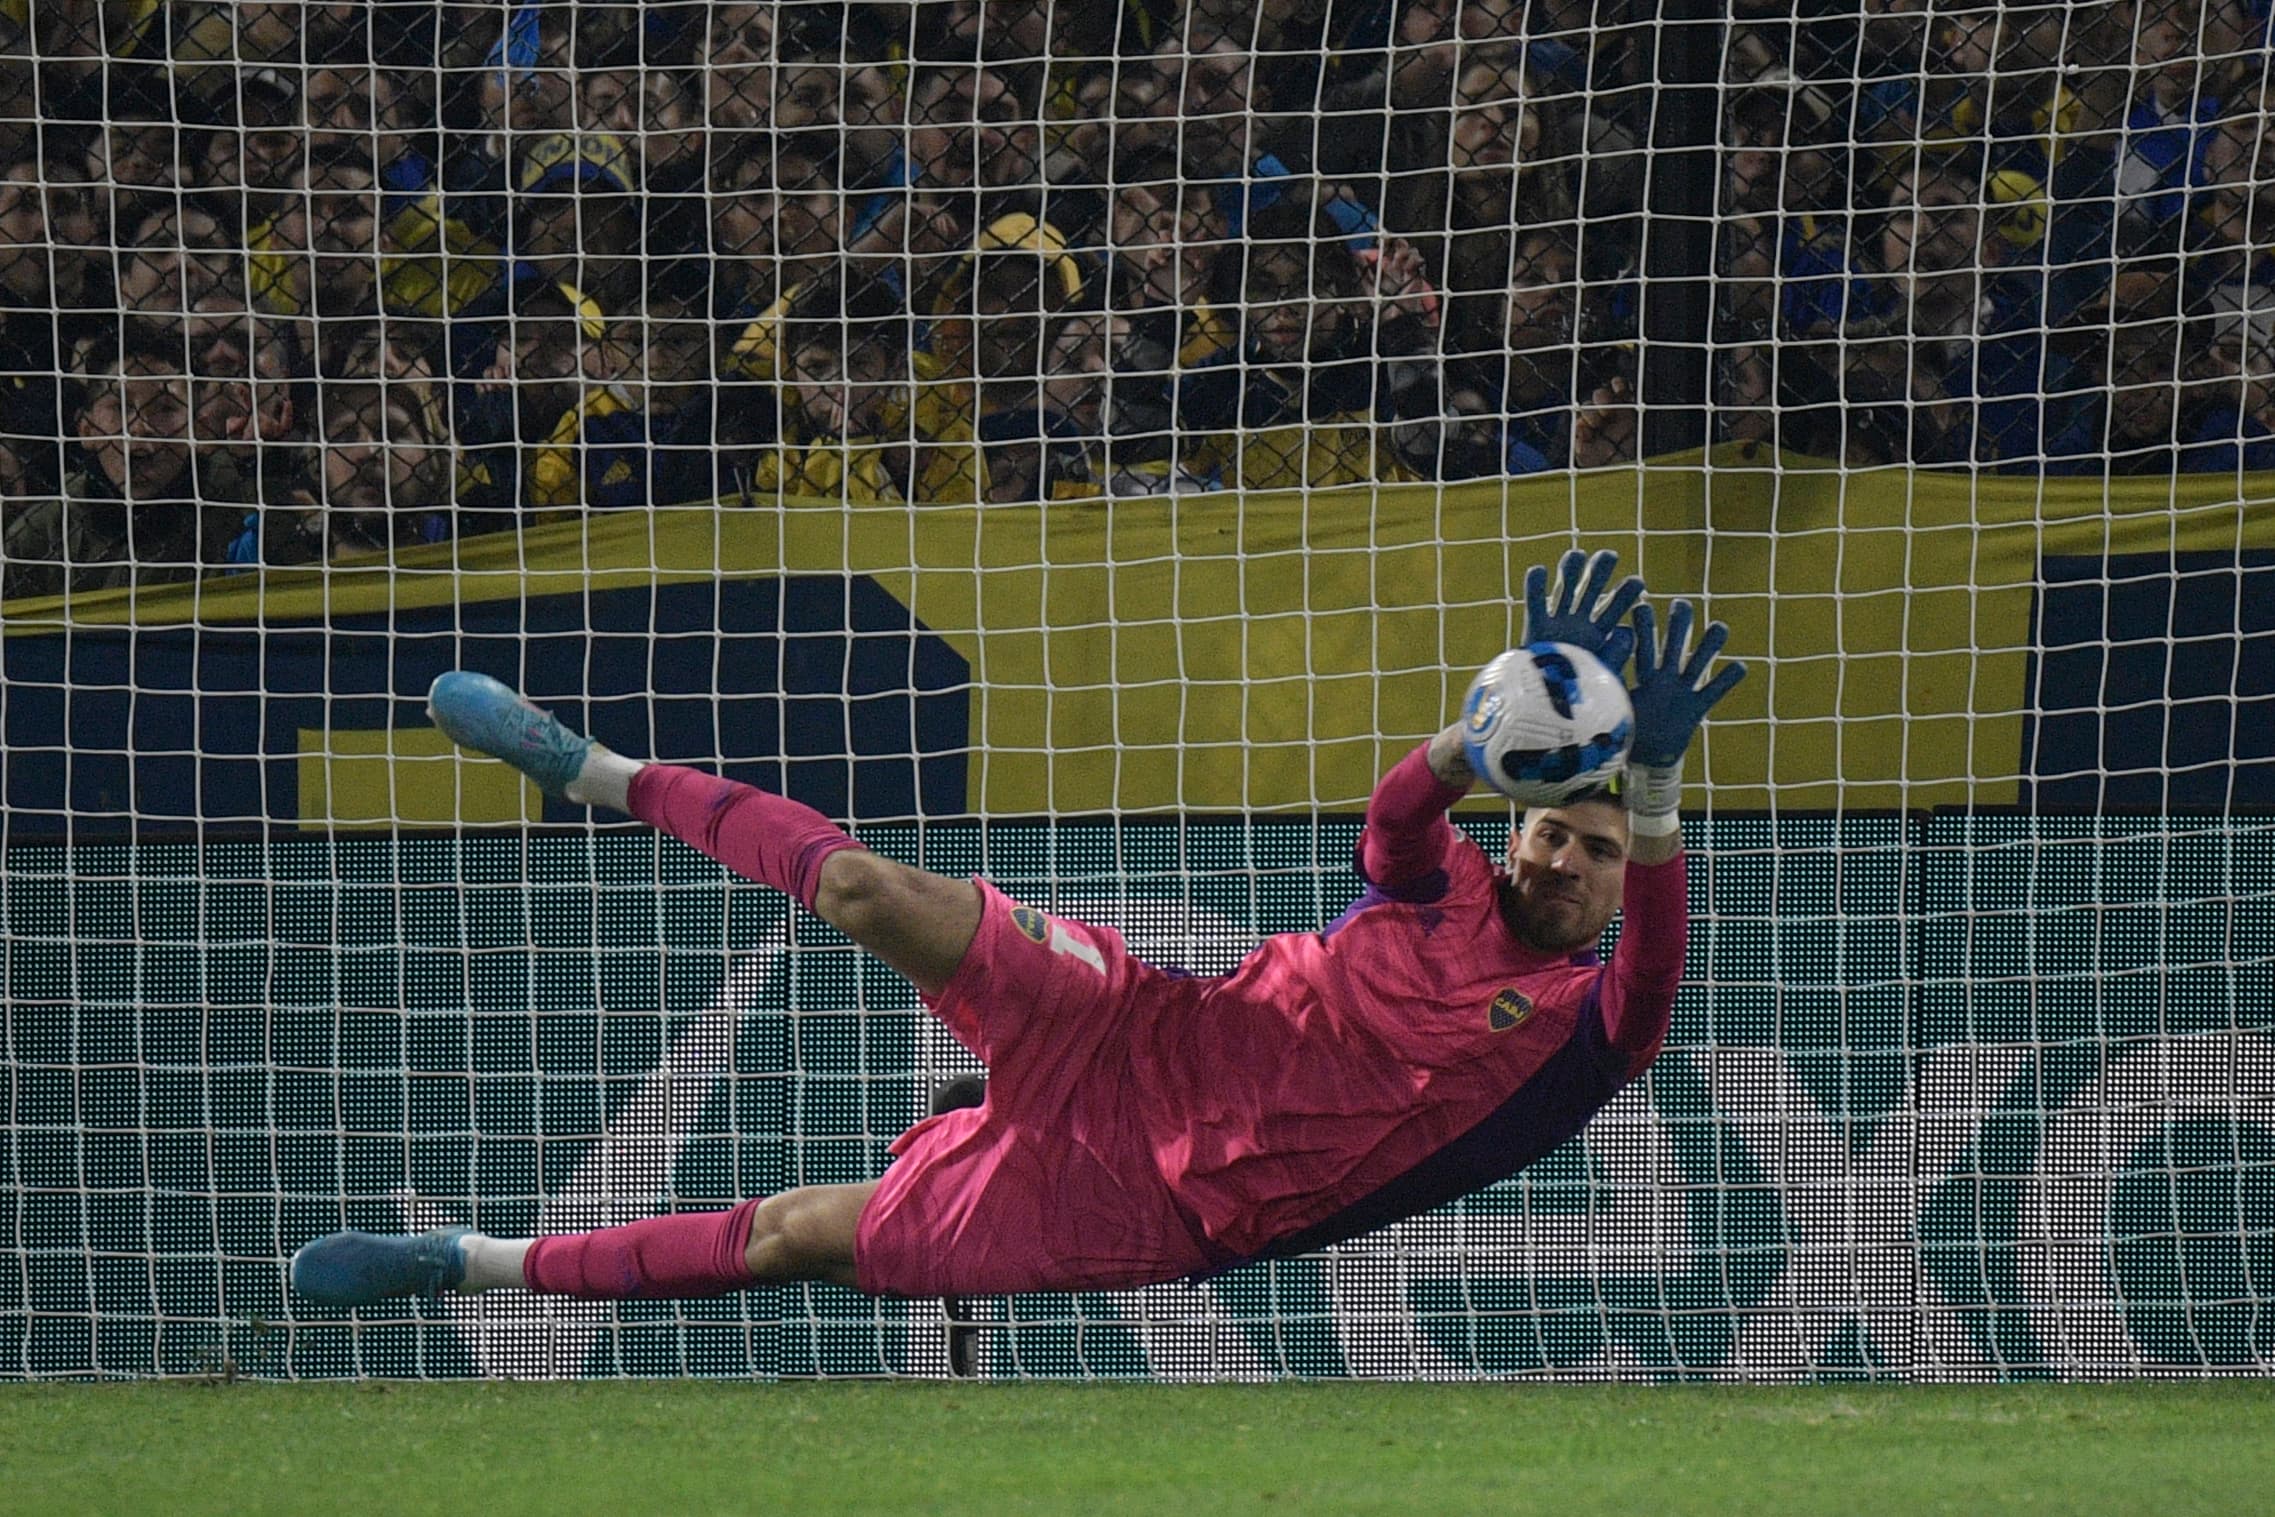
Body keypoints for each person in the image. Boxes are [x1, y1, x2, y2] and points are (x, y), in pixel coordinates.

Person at [291, 550, 1745, 1308]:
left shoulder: (1586, 1030)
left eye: (1596, 847)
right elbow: (1393, 820)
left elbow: (1664, 962)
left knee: (796, 1234)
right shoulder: (1439, 890)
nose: (1562, 851)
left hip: (1158, 1206)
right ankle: (592, 769)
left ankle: (468, 1261)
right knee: (864, 889)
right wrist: (1473, 735)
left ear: (1626, 878)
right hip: (1136, 1018)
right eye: (1554, 822)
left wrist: (1662, 781)